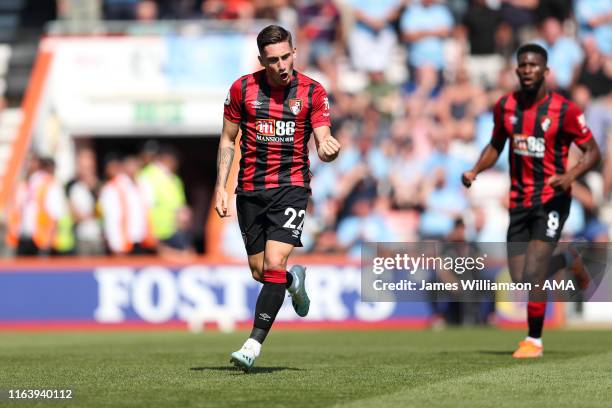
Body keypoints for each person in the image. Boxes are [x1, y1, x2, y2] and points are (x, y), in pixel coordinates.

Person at [462, 44, 600, 358]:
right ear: (516, 70)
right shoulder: (505, 107)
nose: (527, 69)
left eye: (534, 65)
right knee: (520, 276)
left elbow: (593, 152)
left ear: (546, 71)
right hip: (519, 201)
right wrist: (475, 170)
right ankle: (567, 259)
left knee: (535, 270)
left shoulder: (564, 111)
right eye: (522, 64)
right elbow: (496, 144)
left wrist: (569, 177)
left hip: (552, 199)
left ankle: (533, 341)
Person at [215, 24, 341, 372]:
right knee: (261, 272)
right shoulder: (242, 89)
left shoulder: (312, 92)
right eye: (274, 60)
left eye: (287, 56)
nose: (282, 65)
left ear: (295, 53)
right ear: (262, 60)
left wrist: (329, 150)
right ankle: (292, 281)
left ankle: (252, 345)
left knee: (273, 264)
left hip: (291, 188)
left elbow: (323, 139)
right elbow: (228, 140)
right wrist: (220, 188)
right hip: (250, 190)